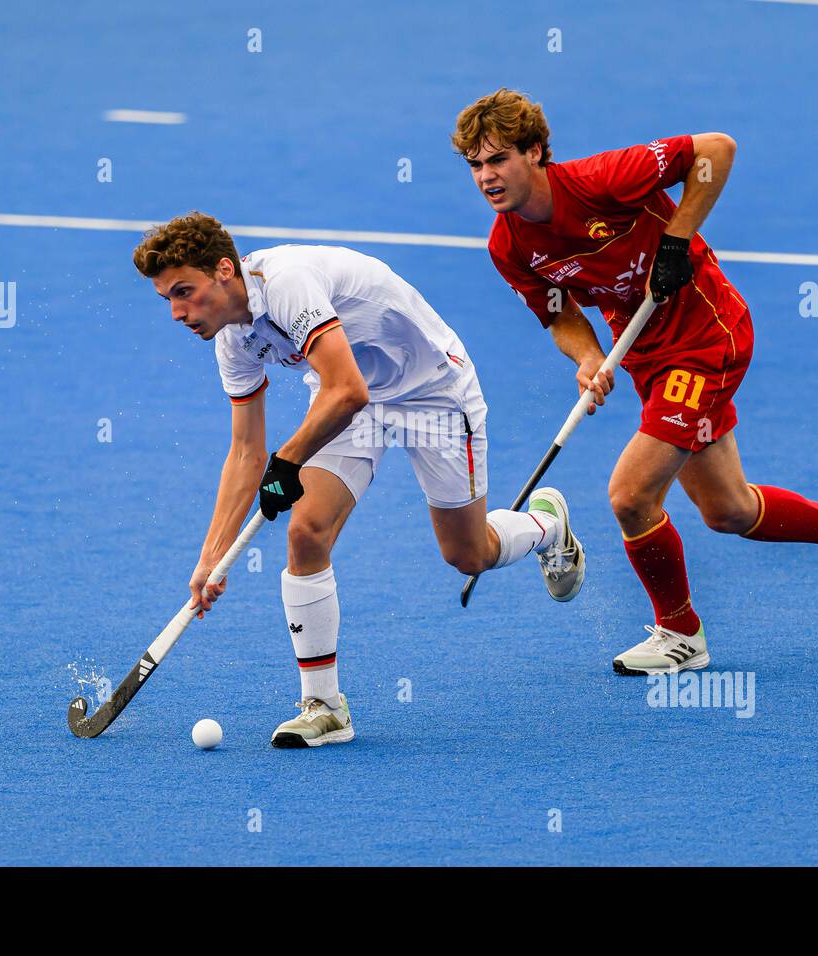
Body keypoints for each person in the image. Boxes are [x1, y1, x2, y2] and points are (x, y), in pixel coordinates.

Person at [451, 89, 818, 675]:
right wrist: (588, 356)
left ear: (536, 152)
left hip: (706, 339)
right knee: (728, 510)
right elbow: (558, 314)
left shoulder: (601, 181)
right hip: (648, 356)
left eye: (498, 160)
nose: (486, 177)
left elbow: (715, 151)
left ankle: (680, 633)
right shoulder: (508, 245)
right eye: (475, 165)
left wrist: (675, 240)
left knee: (630, 495)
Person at [132, 212, 585, 746]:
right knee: (306, 533)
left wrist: (290, 461)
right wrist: (211, 557)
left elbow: (346, 391)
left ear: (225, 271)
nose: (178, 312)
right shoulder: (232, 341)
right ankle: (324, 707)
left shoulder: (285, 284)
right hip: (349, 397)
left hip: (431, 389)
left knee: (468, 554)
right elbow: (246, 451)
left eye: (184, 292)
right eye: (167, 299)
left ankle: (545, 526)